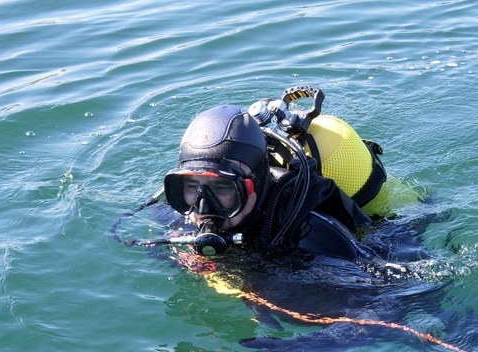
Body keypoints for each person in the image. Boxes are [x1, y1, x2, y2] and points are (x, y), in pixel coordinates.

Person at [158, 86, 412, 277]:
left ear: (254, 184)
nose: (203, 208)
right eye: (191, 187)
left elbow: (391, 292)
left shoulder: (310, 231)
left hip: (389, 232)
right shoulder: (184, 214)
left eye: (223, 188)